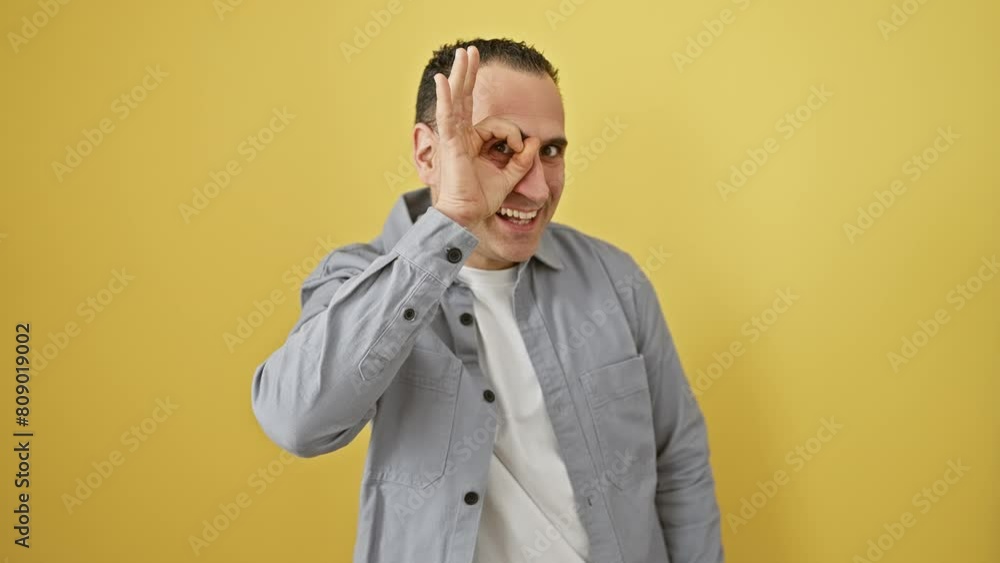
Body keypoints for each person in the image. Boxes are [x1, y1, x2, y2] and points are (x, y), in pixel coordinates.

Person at [251, 38, 724, 563]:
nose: (537, 189)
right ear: (428, 154)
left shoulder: (615, 279)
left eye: (551, 151)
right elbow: (295, 421)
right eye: (500, 148)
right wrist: (452, 218)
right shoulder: (357, 280)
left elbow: (680, 462)